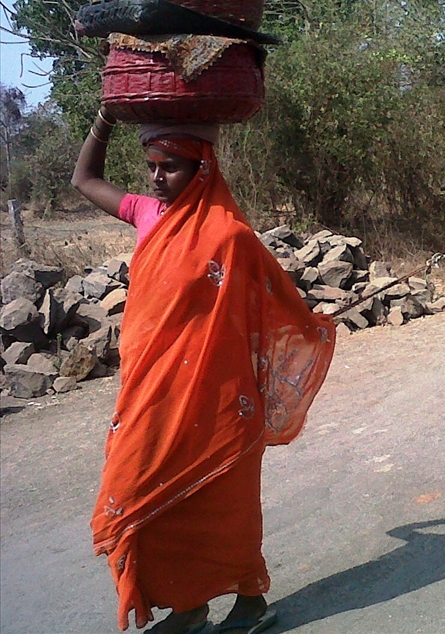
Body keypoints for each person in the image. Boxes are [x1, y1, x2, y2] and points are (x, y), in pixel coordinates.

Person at [73, 108, 336, 634]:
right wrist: (104, 118)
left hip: (217, 396)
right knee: (140, 489)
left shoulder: (230, 235)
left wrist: (310, 326)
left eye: (168, 166)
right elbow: (83, 180)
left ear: (201, 169)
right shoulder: (148, 215)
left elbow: (271, 300)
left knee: (221, 504)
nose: (155, 177)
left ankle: (248, 604)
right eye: (151, 165)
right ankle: (188, 609)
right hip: (153, 392)